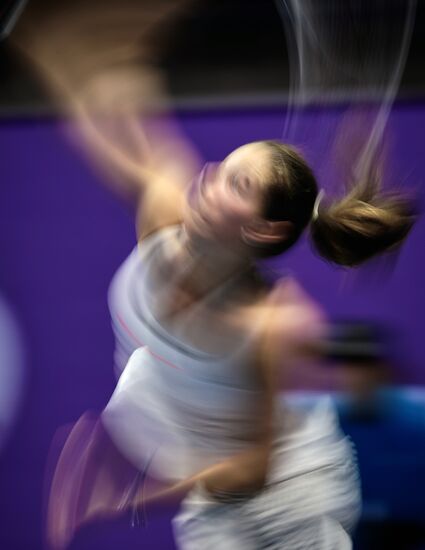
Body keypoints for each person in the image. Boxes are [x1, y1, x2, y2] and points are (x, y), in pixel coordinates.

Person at [13, 2, 415, 549]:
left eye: (237, 183)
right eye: (224, 164)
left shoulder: (274, 324)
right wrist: (51, 45)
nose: (209, 175)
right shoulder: (164, 206)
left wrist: (131, 498)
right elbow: (110, 108)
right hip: (210, 497)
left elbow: (252, 471)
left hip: (295, 504)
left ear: (266, 230)